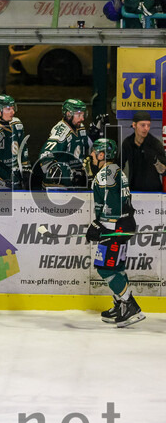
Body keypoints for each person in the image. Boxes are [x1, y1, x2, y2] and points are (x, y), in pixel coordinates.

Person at [86, 138, 144, 327]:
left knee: (105, 268)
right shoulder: (117, 170)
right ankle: (120, 305)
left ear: (102, 155)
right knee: (117, 268)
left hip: (114, 228)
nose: (91, 157)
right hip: (123, 225)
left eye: (94, 153)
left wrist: (100, 227)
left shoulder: (104, 175)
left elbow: (110, 207)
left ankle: (129, 305)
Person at [35, 99, 91, 190]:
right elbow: (44, 156)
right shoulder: (61, 132)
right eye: (79, 115)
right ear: (68, 114)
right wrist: (60, 175)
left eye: (83, 114)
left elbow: (86, 149)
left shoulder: (80, 127)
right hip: (59, 186)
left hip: (76, 182)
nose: (82, 118)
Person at [120, 110, 166, 191]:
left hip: (154, 191)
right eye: (143, 125)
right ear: (134, 125)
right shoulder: (128, 143)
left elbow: (164, 172)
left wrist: (156, 162)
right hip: (133, 190)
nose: (146, 128)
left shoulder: (155, 144)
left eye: (148, 125)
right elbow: (119, 165)